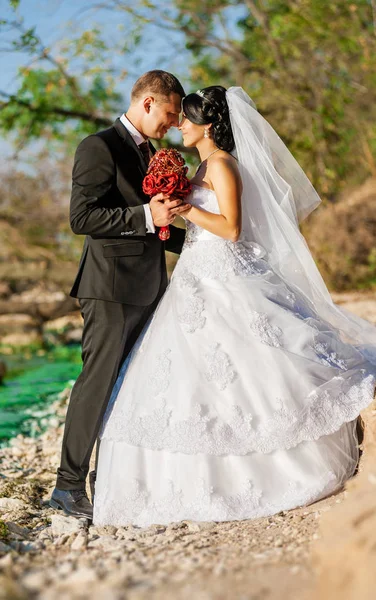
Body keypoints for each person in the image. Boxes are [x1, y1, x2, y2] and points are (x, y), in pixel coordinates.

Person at [93, 86, 376, 527]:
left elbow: (232, 229)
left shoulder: (222, 165)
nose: (179, 122)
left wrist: (185, 209)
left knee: (249, 361)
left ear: (208, 126)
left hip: (224, 271)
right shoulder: (203, 164)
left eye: (187, 117)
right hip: (197, 275)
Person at [50, 71, 190, 520]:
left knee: (131, 385)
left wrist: (201, 242)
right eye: (170, 113)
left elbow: (155, 225)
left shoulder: (152, 152)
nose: (173, 122)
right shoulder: (99, 146)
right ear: (148, 103)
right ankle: (67, 488)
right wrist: (146, 214)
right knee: (97, 383)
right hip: (109, 289)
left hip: (149, 287)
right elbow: (83, 217)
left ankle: (107, 480)